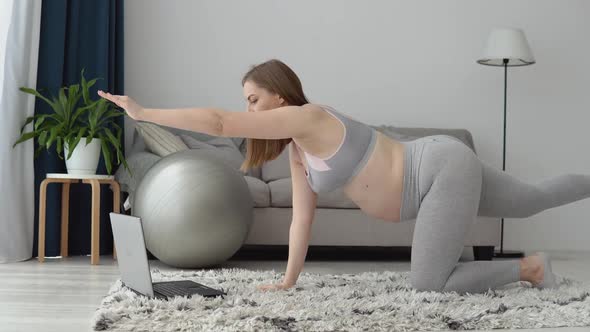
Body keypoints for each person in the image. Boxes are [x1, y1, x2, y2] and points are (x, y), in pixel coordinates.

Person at [98, 59, 588, 295]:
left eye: (253, 98)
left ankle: (530, 269)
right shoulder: (299, 153)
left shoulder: (311, 115)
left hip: (437, 167)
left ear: (279, 96)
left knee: (429, 283)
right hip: (439, 168)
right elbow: (301, 224)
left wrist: (145, 111)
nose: (248, 109)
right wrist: (288, 280)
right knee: (532, 199)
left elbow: (221, 123)